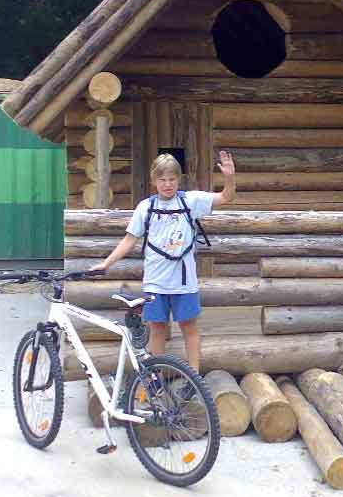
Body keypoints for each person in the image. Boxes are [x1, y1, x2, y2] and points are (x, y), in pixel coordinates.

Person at [90, 150, 236, 374]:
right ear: (154, 181)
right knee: (157, 329)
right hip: (156, 282)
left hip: (184, 283)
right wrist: (106, 264)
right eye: (162, 180)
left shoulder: (190, 201)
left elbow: (226, 197)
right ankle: (156, 378)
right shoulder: (145, 207)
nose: (167, 184)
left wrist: (229, 176)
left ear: (178, 179)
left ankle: (194, 377)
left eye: (172, 179)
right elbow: (129, 240)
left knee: (189, 327)